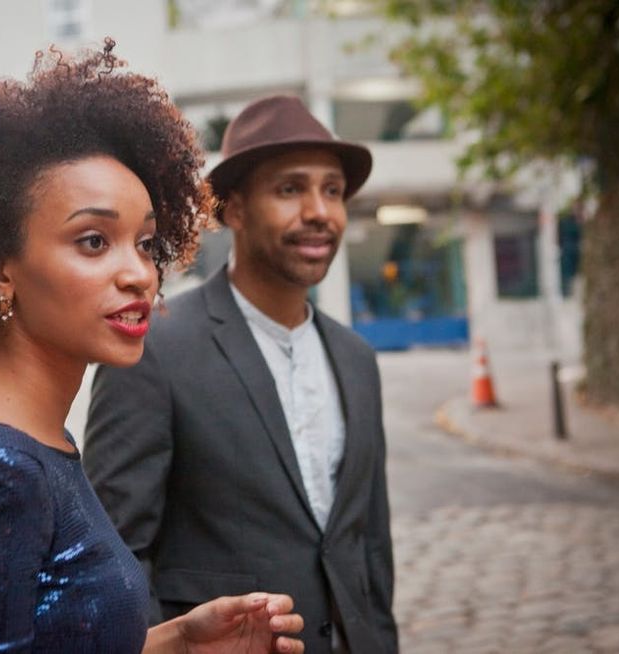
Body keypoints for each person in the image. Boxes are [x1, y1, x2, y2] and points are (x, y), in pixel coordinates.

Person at [0, 42, 305, 654]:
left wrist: (175, 644)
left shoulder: (35, 444)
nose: (139, 272)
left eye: (144, 243)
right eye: (92, 241)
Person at [84, 95, 398, 654]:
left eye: (332, 190)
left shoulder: (357, 359)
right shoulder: (155, 349)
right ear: (231, 210)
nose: (319, 211)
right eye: (289, 189)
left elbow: (369, 547)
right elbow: (117, 555)